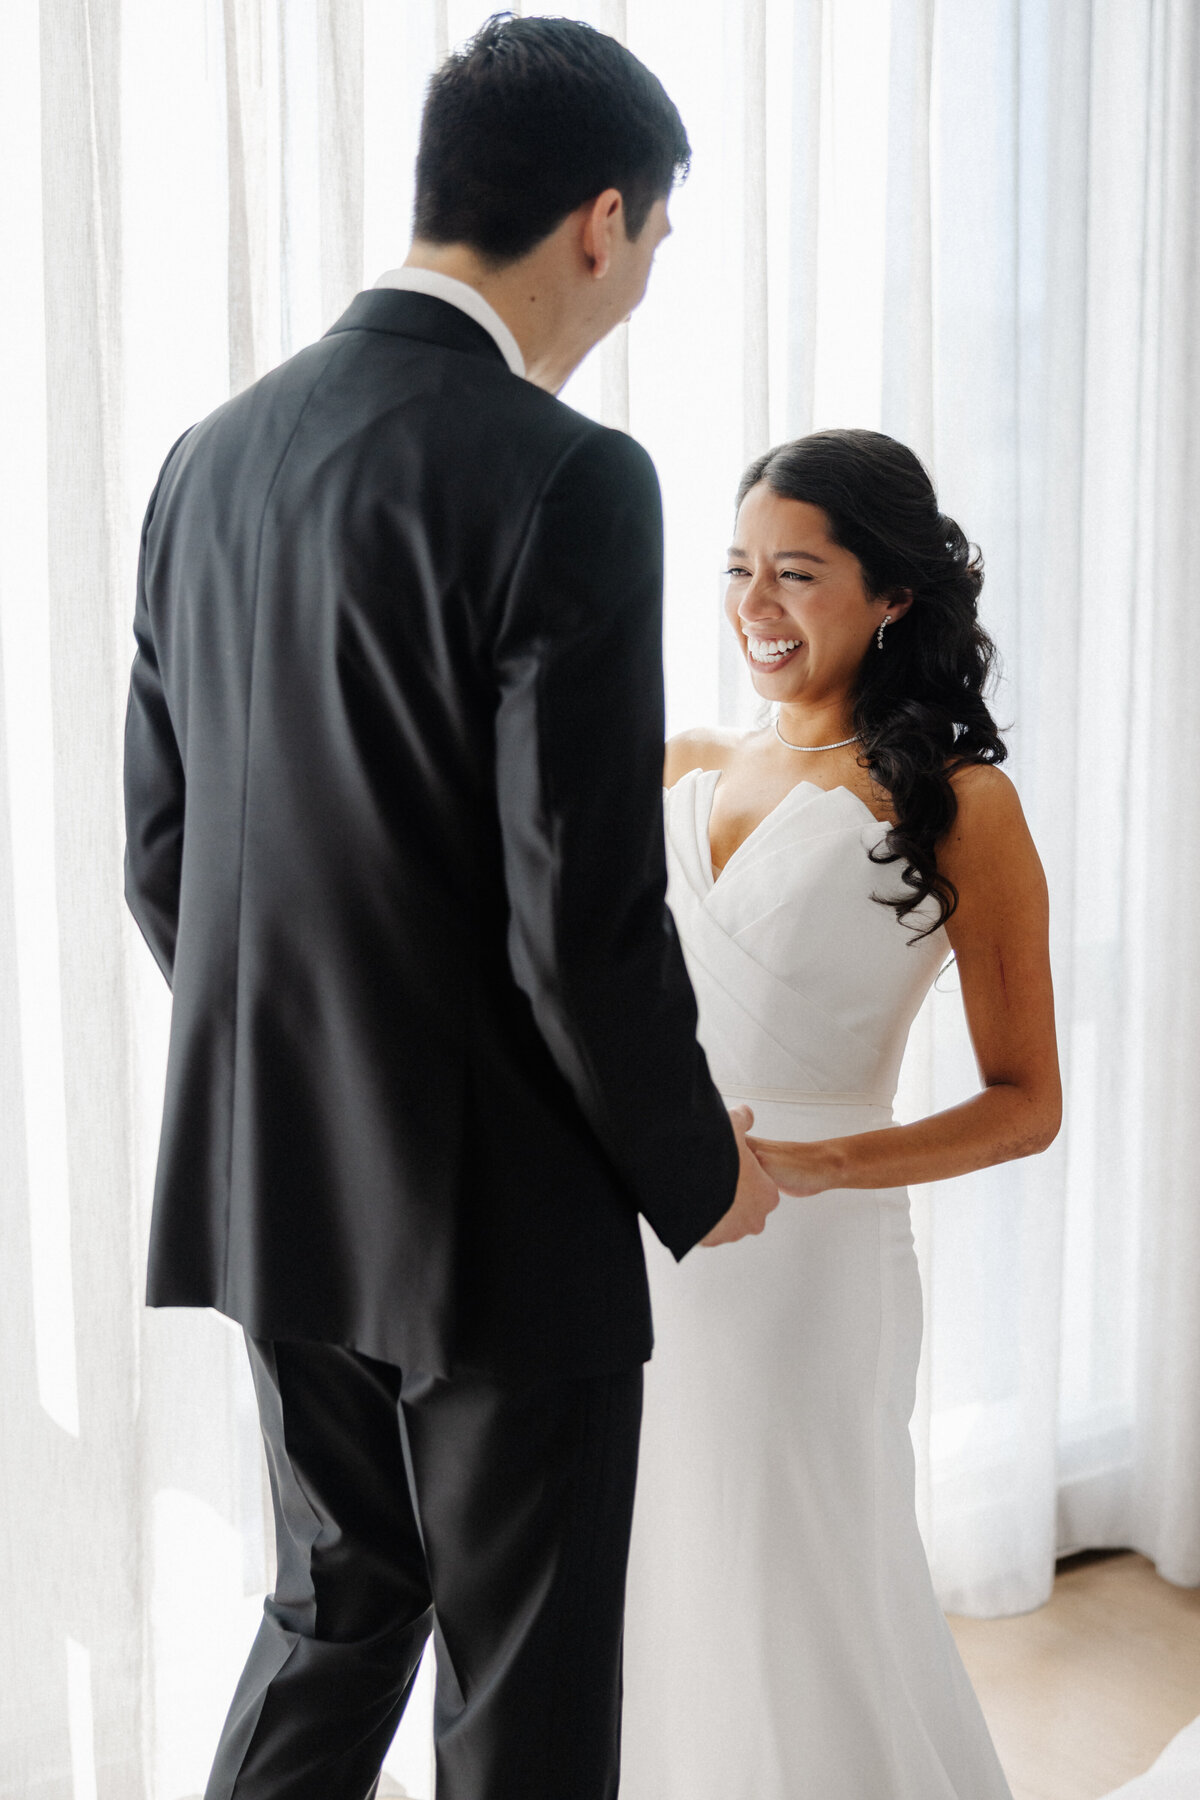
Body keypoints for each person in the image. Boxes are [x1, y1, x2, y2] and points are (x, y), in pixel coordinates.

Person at [122, 17, 777, 1800]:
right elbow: (583, 916)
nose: (643, 280)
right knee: (527, 1686)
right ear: (600, 219)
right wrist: (699, 1175)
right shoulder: (571, 475)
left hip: (277, 1182)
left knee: (338, 1612)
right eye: (655, 241)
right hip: (501, 1221)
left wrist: (315, 1071)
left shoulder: (210, 455)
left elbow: (165, 856)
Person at [619, 428, 1062, 1800]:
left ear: (892, 596)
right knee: (656, 1570)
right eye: (738, 569)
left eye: (796, 574)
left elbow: (1027, 1103)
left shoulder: (965, 807)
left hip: (813, 1256)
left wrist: (816, 1165)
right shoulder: (678, 763)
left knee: (804, 1566)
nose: (756, 605)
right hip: (644, 1237)